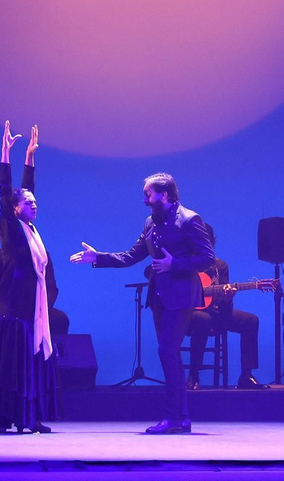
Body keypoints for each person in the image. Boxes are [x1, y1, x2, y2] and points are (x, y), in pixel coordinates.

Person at [71, 172, 214, 434]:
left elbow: (207, 258)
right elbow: (131, 256)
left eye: (149, 194)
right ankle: (180, 418)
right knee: (169, 354)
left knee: (166, 351)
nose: (145, 199)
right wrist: (97, 257)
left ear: (165, 194)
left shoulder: (190, 219)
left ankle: (174, 418)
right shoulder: (151, 222)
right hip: (159, 296)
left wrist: (175, 264)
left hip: (181, 297)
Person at [0, 122, 59, 434]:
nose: (34, 205)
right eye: (28, 203)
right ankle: (2, 417)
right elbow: (5, 194)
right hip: (12, 311)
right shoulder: (12, 230)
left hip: (29, 307)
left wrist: (30, 157)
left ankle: (29, 416)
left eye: (35, 203)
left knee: (30, 362)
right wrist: (6, 154)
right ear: (15, 210)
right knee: (12, 366)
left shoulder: (32, 231)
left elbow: (27, 190)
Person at [186, 224, 262, 390]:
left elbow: (223, 307)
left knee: (251, 321)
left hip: (216, 314)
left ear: (213, 242)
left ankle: (246, 376)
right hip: (188, 316)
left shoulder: (220, 267)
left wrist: (228, 298)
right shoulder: (185, 264)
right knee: (202, 319)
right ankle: (194, 374)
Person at [0, 248, 69, 338]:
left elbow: (51, 287)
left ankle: (51, 351)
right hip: (8, 311)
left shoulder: (42, 256)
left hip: (38, 309)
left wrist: (41, 310)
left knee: (60, 319)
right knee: (13, 322)